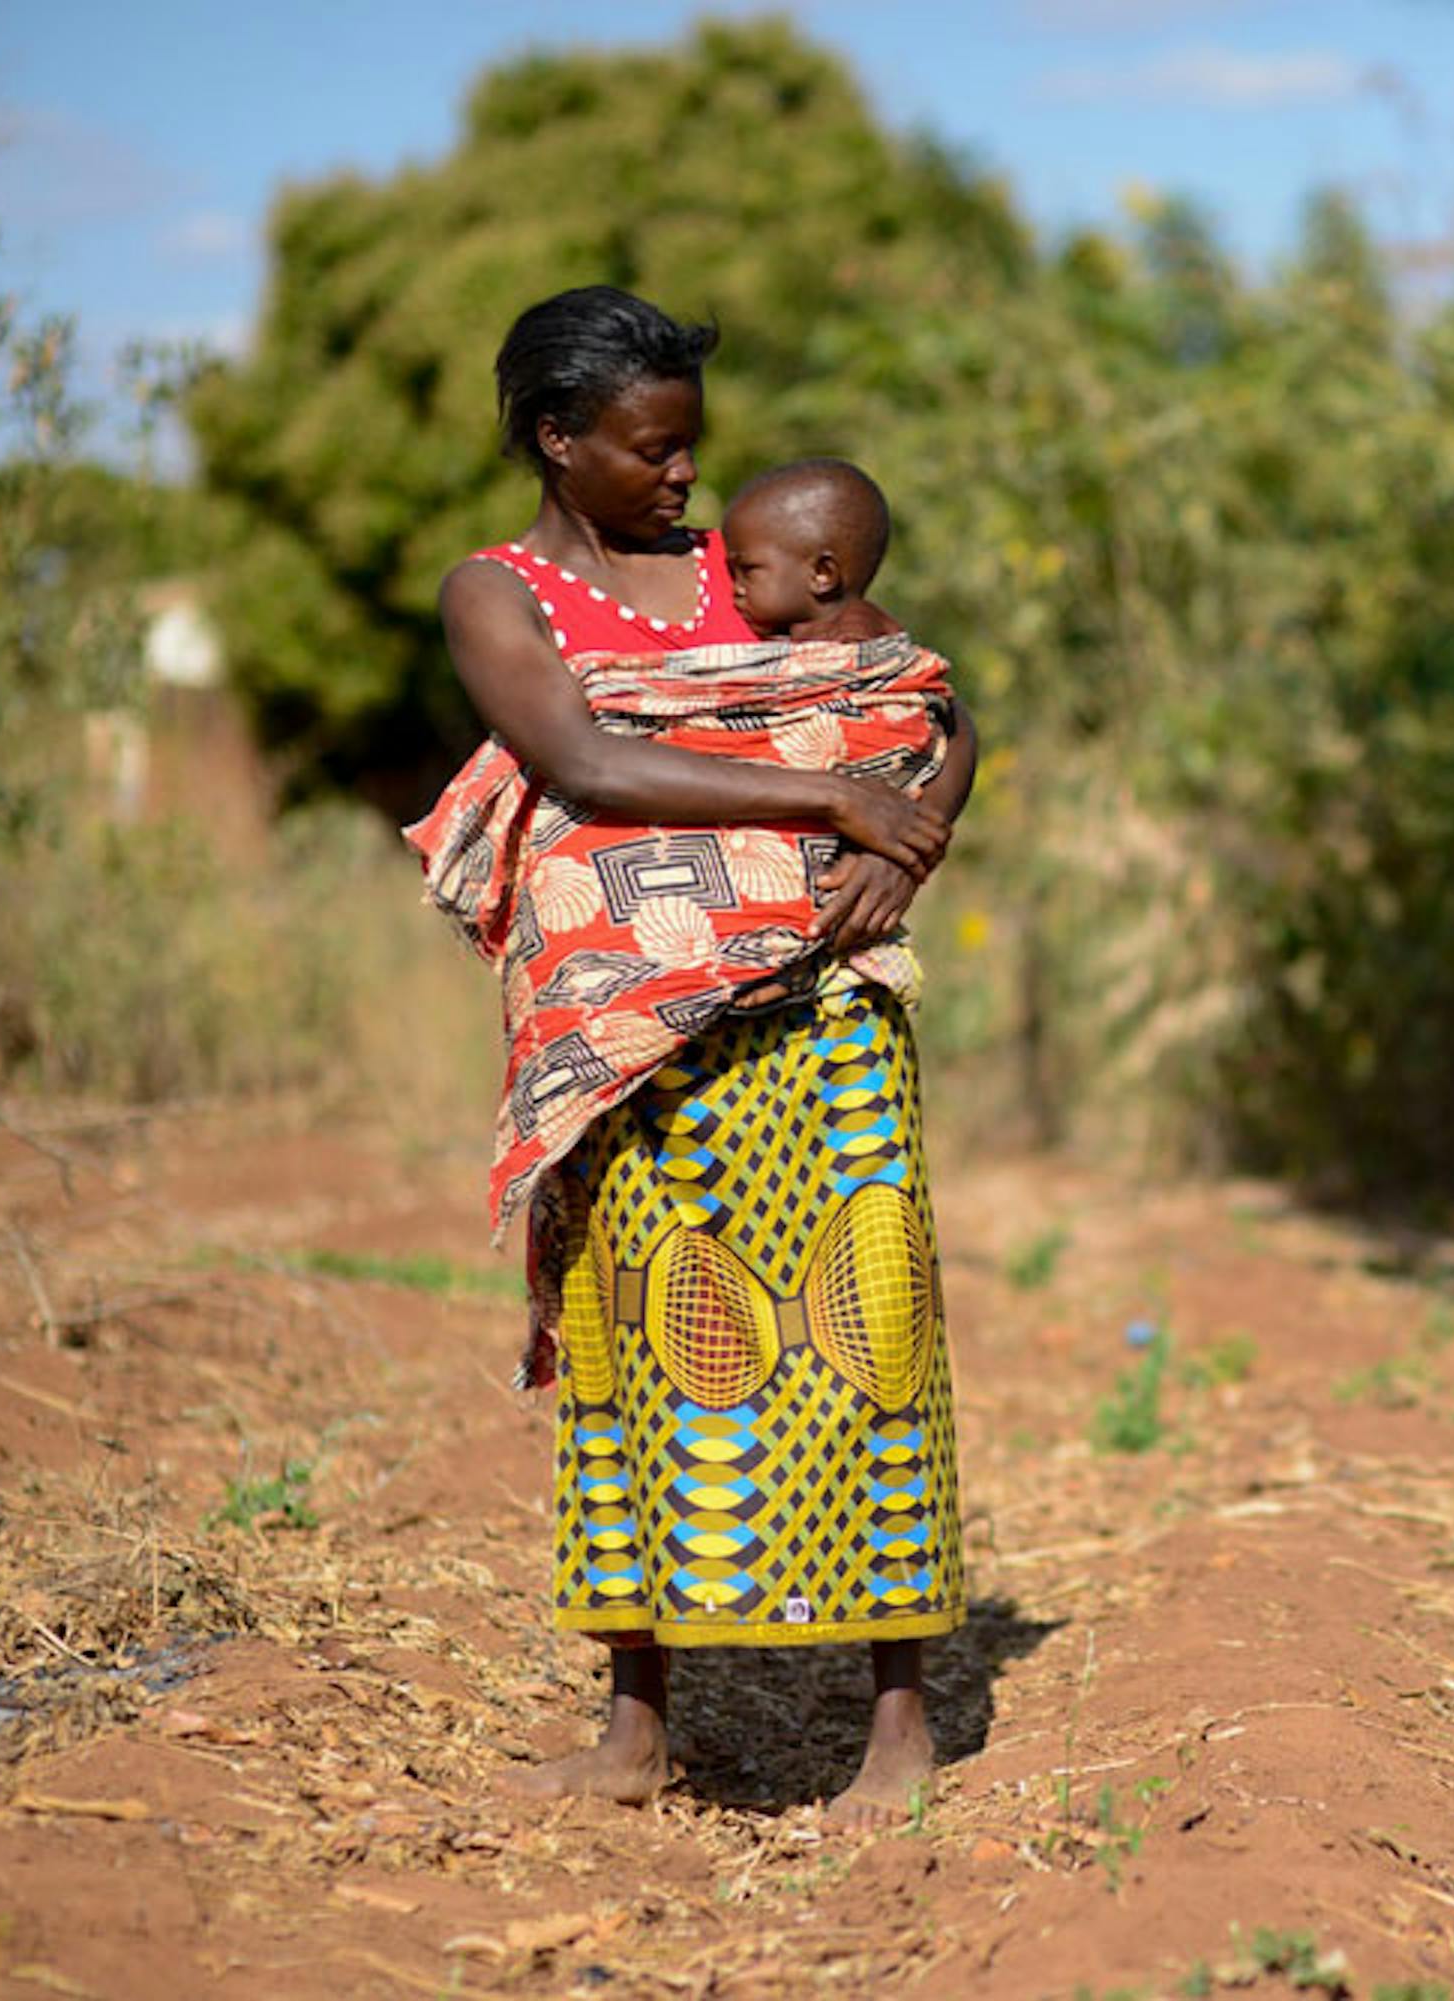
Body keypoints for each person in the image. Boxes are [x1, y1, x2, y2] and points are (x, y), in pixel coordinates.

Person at [430, 285, 965, 1827]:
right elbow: (584, 760)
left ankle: (901, 1725)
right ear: (556, 437)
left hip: (821, 1021)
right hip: (631, 1053)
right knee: (639, 1358)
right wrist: (832, 807)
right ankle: (636, 1725)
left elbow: (932, 707)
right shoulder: (501, 594)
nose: (682, 479)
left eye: (691, 448)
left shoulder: (752, 567)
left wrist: (910, 846)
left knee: (872, 1344)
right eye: (653, 449)